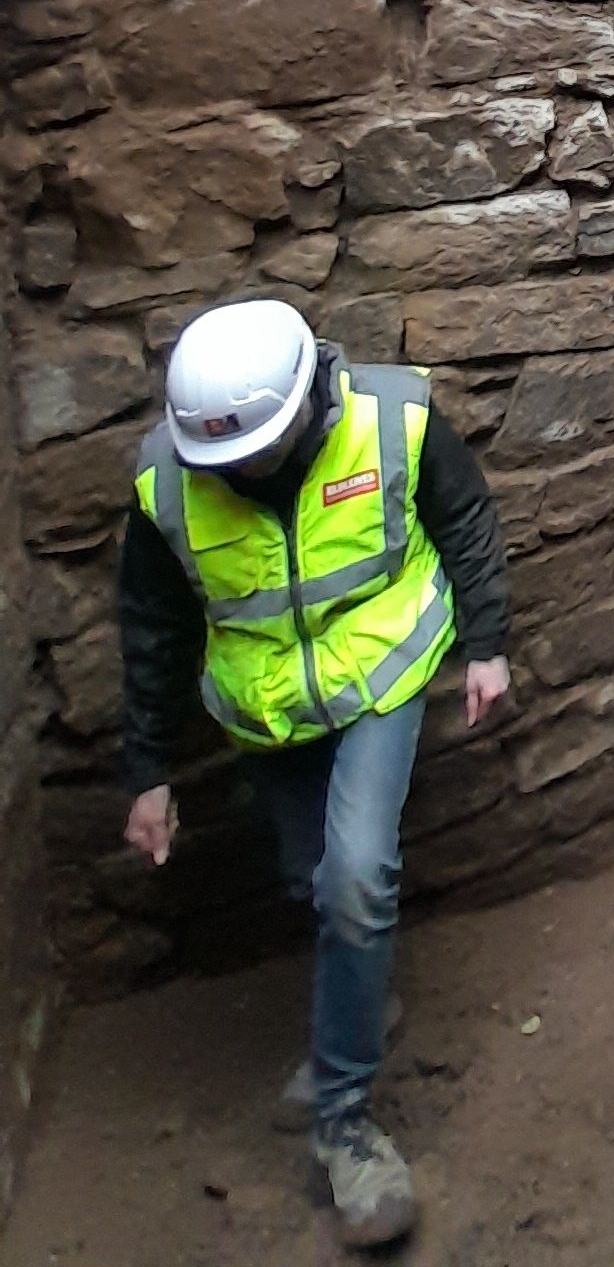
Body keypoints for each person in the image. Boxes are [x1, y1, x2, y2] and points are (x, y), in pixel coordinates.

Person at [118, 296, 511, 1250]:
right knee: (313, 880)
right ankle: (367, 998)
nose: (241, 473)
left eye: (256, 451)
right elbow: (155, 625)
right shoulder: (167, 483)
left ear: (305, 408)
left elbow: (462, 516)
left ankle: (346, 1128)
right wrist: (148, 769)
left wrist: (488, 644)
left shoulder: (392, 421)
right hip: (268, 712)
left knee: (353, 876)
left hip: (380, 678)